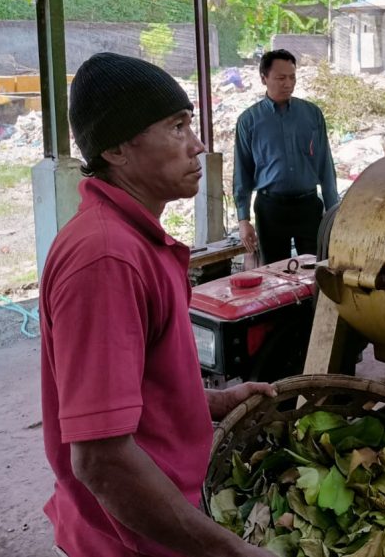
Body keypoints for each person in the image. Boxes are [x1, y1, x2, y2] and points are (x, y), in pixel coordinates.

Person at [40, 52, 276, 557]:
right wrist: (229, 551)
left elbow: (130, 389)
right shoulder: (107, 259)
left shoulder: (132, 240)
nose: (198, 145)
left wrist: (206, 402)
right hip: (126, 544)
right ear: (117, 150)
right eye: (176, 127)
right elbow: (102, 461)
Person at [233, 49, 339, 263]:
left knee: (316, 268)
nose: (288, 84)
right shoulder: (249, 121)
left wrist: (333, 211)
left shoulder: (311, 114)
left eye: (292, 77)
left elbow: (325, 165)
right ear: (264, 78)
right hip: (270, 209)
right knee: (273, 272)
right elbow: (242, 172)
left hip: (308, 206)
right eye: (281, 78)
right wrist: (243, 219)